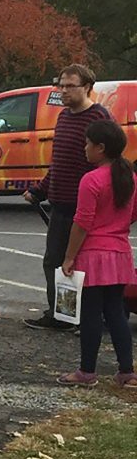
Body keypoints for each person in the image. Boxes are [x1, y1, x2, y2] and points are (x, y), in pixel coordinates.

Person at [25, 64, 114, 331]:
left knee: (81, 263)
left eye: (69, 86)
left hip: (86, 206)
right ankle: (62, 315)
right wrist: (40, 190)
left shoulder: (99, 118)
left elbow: (106, 163)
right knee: (55, 261)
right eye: (60, 85)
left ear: (87, 87)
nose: (62, 90)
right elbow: (59, 162)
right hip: (59, 204)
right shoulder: (63, 117)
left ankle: (87, 318)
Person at [57, 120, 137, 387]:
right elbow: (132, 213)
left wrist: (69, 256)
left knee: (90, 313)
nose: (85, 147)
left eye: (88, 143)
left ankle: (86, 371)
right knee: (116, 311)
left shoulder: (91, 180)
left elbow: (82, 223)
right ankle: (126, 370)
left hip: (93, 253)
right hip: (120, 251)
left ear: (100, 148)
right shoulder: (129, 176)